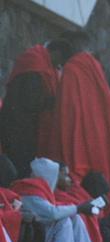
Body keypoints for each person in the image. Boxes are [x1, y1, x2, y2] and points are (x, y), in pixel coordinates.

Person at [55, 31, 110, 184]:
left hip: (80, 127)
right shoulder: (95, 66)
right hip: (99, 126)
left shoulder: (73, 68)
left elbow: (67, 107)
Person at [0, 40, 73, 178]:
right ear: (56, 53)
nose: (59, 65)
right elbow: (30, 99)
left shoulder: (42, 64)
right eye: (61, 60)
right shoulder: (34, 64)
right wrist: (52, 102)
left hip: (25, 126)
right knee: (18, 165)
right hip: (18, 126)